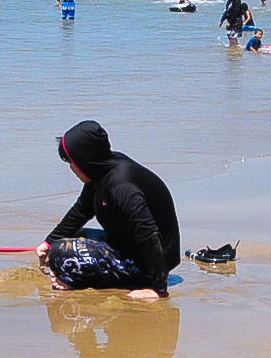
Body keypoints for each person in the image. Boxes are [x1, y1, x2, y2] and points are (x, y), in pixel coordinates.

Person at [36, 120, 179, 300]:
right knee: (63, 243)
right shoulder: (100, 170)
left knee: (62, 252)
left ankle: (80, 280)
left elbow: (148, 233)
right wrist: (48, 242)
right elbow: (82, 210)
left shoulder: (121, 185)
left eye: (72, 162)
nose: (71, 168)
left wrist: (158, 289)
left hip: (148, 263)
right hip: (128, 245)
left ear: (85, 160)